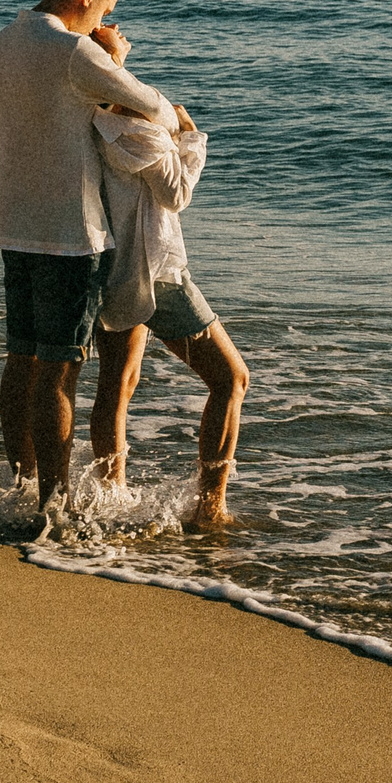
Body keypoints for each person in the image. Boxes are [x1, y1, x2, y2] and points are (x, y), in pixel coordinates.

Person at [0, 0, 174, 512]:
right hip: (72, 233)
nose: (102, 25)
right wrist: (113, 56)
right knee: (61, 372)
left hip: (14, 225)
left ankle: (20, 487)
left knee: (22, 361)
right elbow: (156, 110)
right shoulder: (73, 51)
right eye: (104, 10)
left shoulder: (7, 39)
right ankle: (55, 506)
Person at [89, 86, 251, 528]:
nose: (120, 33)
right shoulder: (137, 134)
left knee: (117, 384)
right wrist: (192, 137)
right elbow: (176, 194)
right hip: (157, 271)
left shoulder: (95, 124)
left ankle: (110, 497)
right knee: (231, 378)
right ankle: (210, 508)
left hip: (115, 262)